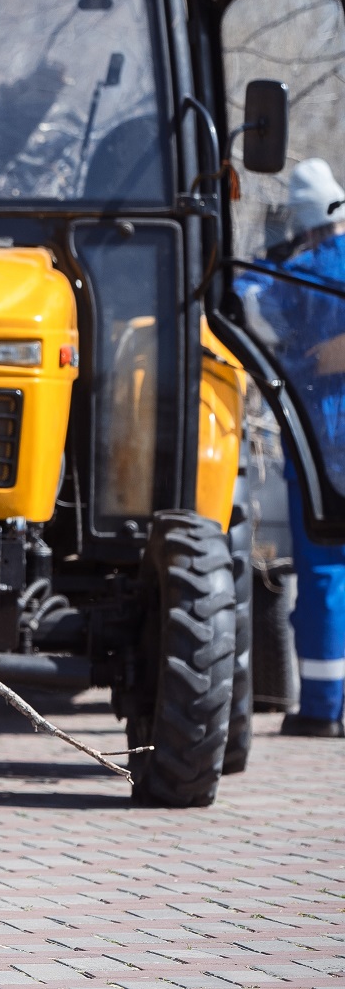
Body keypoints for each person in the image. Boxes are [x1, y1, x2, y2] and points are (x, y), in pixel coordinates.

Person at [242, 158, 345, 737]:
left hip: (323, 435)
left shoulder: (298, 272)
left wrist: (263, 261)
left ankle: (322, 710)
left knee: (325, 570)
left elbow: (245, 303)